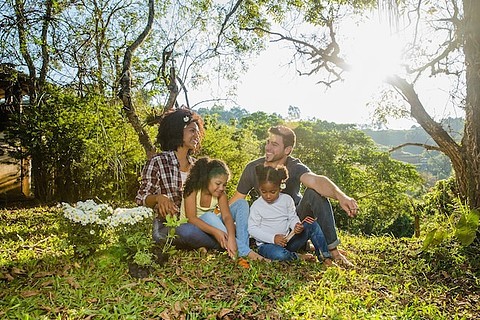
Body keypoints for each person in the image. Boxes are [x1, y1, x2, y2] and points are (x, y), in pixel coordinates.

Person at [135, 107, 264, 260]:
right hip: (174, 225)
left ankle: (236, 245)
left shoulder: (199, 167)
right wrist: (158, 198)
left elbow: (211, 199)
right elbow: (141, 198)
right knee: (187, 231)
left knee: (237, 207)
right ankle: (230, 242)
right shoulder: (157, 161)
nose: (197, 135)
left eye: (197, 131)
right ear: (177, 131)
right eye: (191, 131)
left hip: (204, 221)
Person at [230, 125, 358, 267]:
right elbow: (237, 199)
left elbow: (316, 181)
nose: (268, 148)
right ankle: (299, 250)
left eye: (274, 144)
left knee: (313, 193)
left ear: (287, 150)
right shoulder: (253, 168)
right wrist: (220, 220)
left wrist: (341, 197)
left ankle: (333, 251)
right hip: (266, 225)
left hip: (294, 222)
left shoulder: (295, 166)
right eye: (267, 142)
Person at [248, 164, 334, 266]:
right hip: (267, 245)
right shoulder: (257, 206)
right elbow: (252, 229)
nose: (268, 196)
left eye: (272, 192)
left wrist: (296, 225)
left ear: (280, 187)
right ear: (259, 188)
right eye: (263, 191)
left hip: (288, 241)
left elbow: (292, 217)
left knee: (312, 224)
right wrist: (273, 238)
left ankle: (325, 258)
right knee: (279, 254)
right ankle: (297, 257)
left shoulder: (286, 200)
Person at [180, 157, 237, 258]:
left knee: (237, 211)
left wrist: (231, 237)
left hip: (211, 230)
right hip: (194, 228)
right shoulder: (192, 190)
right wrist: (216, 232)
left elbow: (227, 216)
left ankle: (230, 245)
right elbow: (191, 218)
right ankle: (223, 244)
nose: (221, 188)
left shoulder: (221, 194)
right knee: (186, 230)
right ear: (206, 180)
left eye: (224, 185)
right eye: (218, 184)